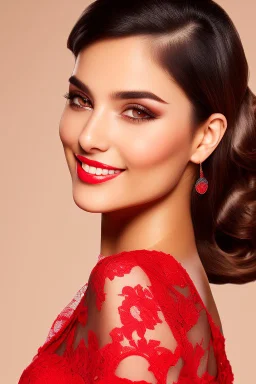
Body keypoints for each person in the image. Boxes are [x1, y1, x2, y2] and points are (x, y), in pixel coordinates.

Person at [18, 0, 256, 382]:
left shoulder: (127, 285)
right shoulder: (183, 286)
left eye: (136, 111)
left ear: (205, 137)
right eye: (80, 100)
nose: (88, 137)